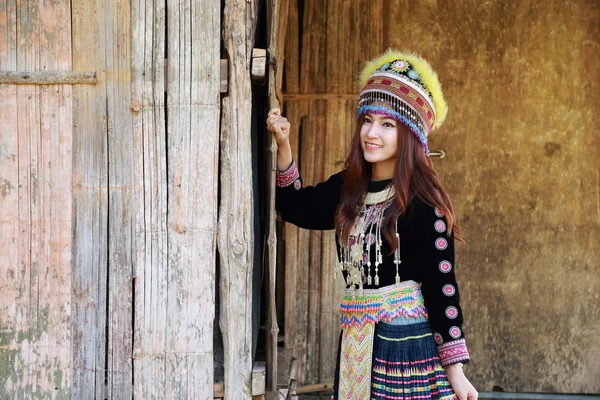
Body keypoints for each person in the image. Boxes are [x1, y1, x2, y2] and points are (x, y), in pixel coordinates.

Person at [266, 49, 478, 400]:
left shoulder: (425, 205)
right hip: (355, 344)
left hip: (407, 349)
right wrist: (284, 144)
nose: (371, 132)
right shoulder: (347, 189)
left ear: (410, 134)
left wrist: (455, 371)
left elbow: (442, 285)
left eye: (387, 124)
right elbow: (295, 207)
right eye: (368, 119)